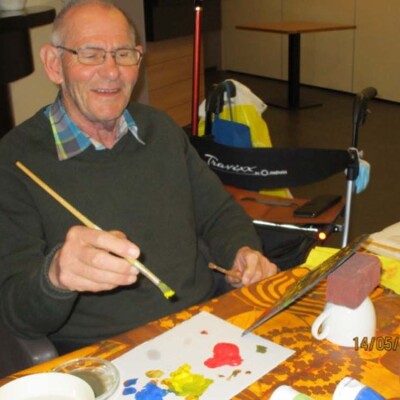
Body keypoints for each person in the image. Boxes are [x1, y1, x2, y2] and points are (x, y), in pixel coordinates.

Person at [0, 0, 277, 354]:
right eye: (91, 54)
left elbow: (218, 213)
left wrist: (242, 252)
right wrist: (54, 277)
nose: (111, 71)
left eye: (124, 54)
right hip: (109, 354)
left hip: (207, 323)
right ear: (54, 64)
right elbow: (16, 314)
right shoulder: (14, 162)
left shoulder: (160, 129)